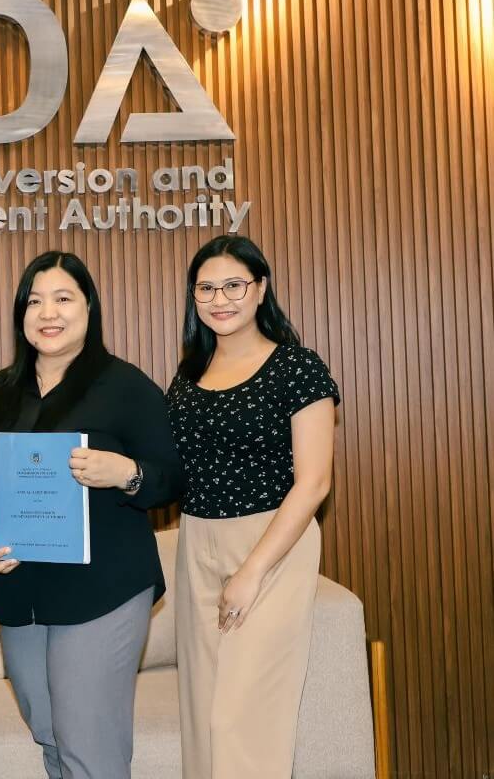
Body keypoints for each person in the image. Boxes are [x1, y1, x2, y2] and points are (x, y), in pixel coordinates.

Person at [0, 250, 183, 779]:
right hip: (21, 592)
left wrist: (125, 472)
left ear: (89, 307)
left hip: (103, 590)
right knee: (49, 732)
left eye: (63, 298)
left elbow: (173, 480)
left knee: (88, 741)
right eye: (35, 301)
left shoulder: (127, 387)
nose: (49, 313)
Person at [166, 235, 340, 778]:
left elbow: (313, 484)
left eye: (234, 285)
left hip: (271, 544)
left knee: (240, 719)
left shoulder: (297, 369)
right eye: (206, 288)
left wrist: (250, 573)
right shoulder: (188, 376)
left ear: (261, 288)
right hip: (195, 539)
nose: (221, 299)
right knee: (201, 713)